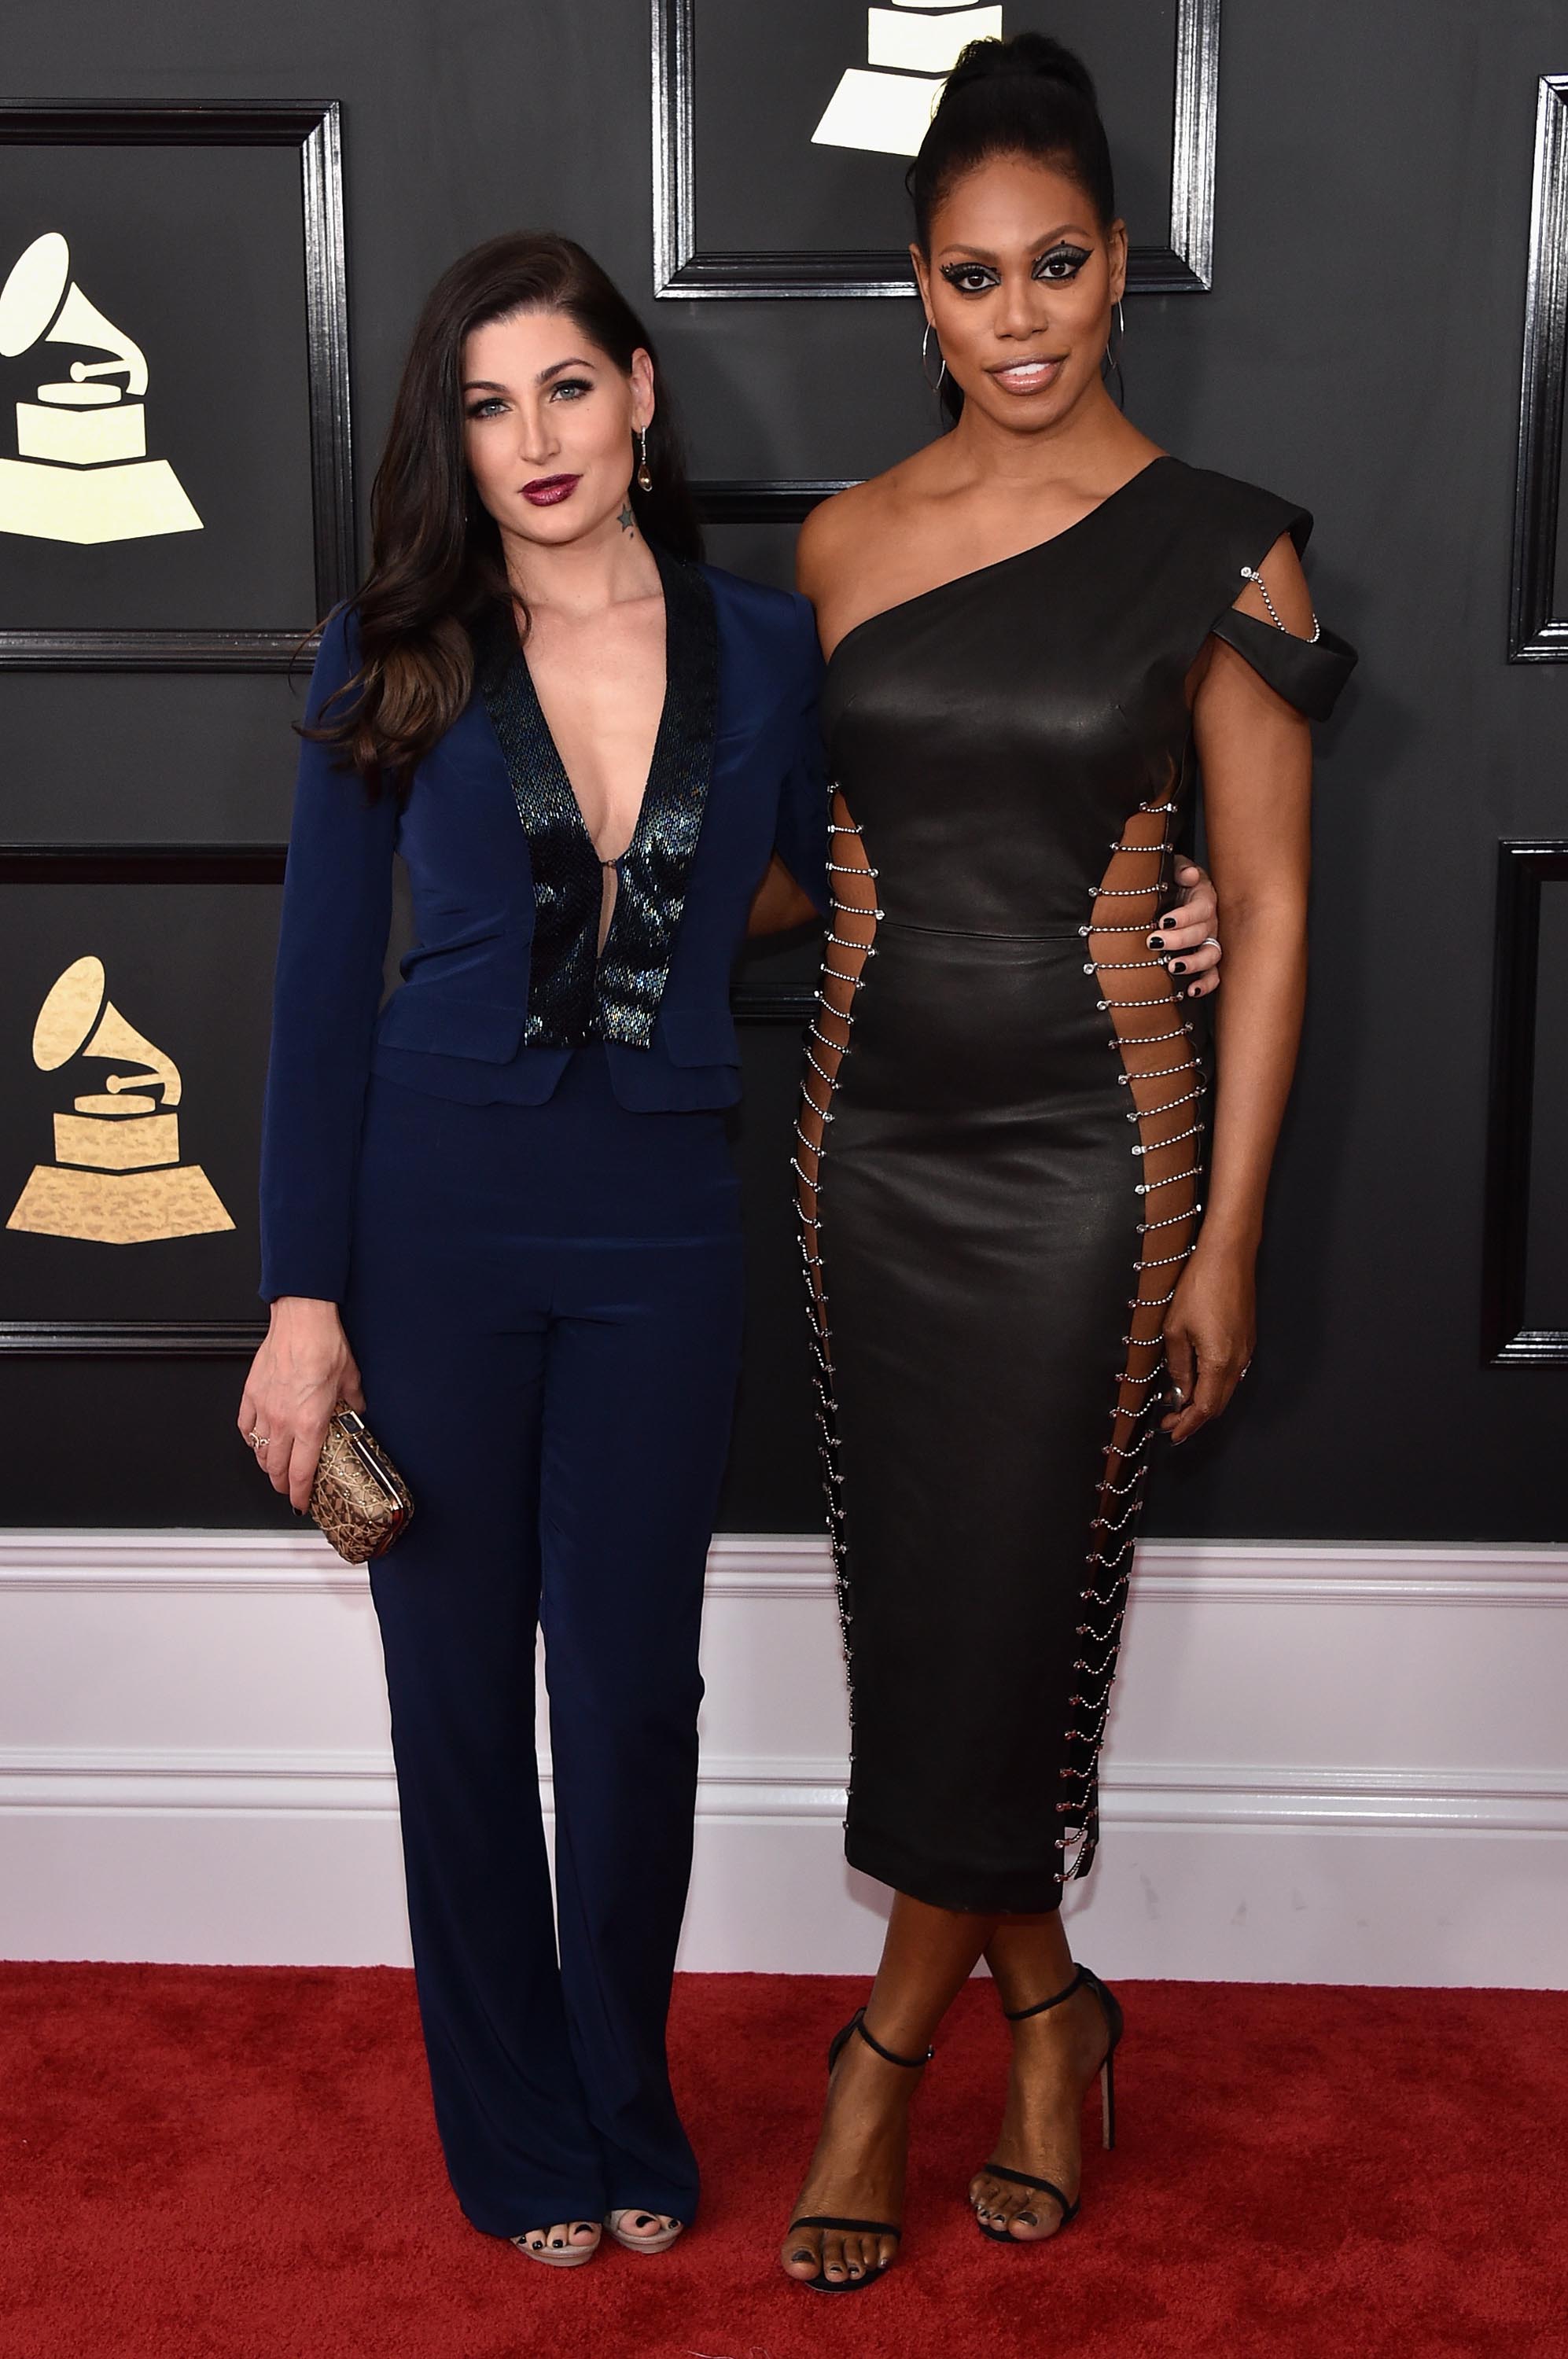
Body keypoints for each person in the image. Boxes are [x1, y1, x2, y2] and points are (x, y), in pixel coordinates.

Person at [783, 34, 1356, 2292]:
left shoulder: (1233, 548)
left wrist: (1226, 1248)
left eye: (1053, 267)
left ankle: (882, 2057)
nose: (1013, 319)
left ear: (1121, 267)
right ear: (913, 295)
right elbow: (788, 862)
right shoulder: (836, 545)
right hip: (860, 1150)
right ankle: (1052, 2004)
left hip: (1088, 1162)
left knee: (1015, 1610)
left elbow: (1277, 909)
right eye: (965, 278)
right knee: (925, 1620)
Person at [237, 231, 832, 2270]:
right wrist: (299, 1303)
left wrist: (1151, 919)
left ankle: (622, 2091)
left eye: (565, 388)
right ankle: (508, 2126)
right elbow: (321, 991)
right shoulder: (385, 648)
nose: (533, 440)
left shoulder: (767, 649)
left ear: (640, 393)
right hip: (433, 1217)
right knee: (456, 1693)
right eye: (486, 406)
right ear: (456, 442)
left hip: (666, 1214)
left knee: (634, 1698)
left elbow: (822, 882)